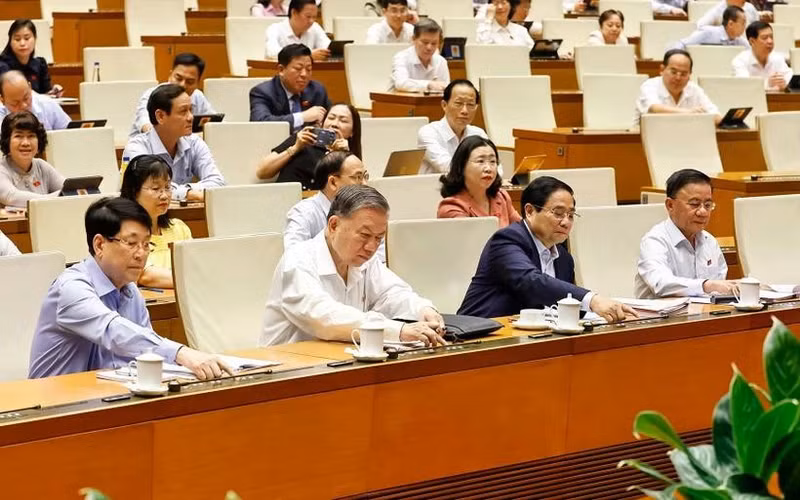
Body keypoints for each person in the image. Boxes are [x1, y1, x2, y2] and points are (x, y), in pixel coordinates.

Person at [28, 197, 233, 379]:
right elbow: (113, 331)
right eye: (132, 243)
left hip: (109, 399)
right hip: (54, 410)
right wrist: (182, 353)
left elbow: (144, 352)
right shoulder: (71, 288)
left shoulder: (130, 291)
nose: (141, 254)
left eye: (146, 244)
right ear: (99, 245)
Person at [261, 184, 446, 346]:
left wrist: (423, 310)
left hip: (339, 364)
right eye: (364, 235)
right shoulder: (298, 259)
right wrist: (398, 331)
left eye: (379, 238)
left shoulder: (364, 260)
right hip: (287, 372)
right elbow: (325, 319)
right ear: (334, 225)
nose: (372, 247)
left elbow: (393, 294)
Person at [458, 176, 636, 322]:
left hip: (528, 341)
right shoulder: (507, 240)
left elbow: (562, 304)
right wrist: (592, 300)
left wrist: (610, 313)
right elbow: (530, 281)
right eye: (558, 213)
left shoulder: (564, 259)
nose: (566, 222)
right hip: (479, 338)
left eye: (571, 215)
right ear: (529, 211)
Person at [635, 169, 736, 299]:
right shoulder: (655, 241)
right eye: (694, 204)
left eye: (708, 205)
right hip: (663, 317)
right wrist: (706, 286)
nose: (703, 212)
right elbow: (661, 283)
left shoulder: (709, 241)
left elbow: (718, 287)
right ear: (670, 205)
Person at [122, 84, 225, 202]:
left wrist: (186, 191)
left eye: (191, 110)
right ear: (160, 116)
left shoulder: (194, 142)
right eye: (183, 111)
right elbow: (148, 189)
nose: (191, 117)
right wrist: (190, 194)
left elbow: (218, 182)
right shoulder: (137, 148)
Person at [120, 154, 192, 289]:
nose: (164, 195)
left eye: (167, 187)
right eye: (155, 189)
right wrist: (196, 280)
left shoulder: (180, 228)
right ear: (134, 191)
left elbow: (196, 267)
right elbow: (146, 276)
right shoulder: (125, 233)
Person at [256, 103, 361, 189]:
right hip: (285, 199)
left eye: (343, 120)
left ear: (353, 131)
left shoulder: (350, 158)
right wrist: (295, 148)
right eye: (331, 118)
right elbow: (262, 172)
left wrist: (342, 156)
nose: (334, 124)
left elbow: (353, 193)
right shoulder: (303, 138)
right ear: (322, 123)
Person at [284, 151, 369, 248]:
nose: (365, 184)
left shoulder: (367, 212)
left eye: (365, 176)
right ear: (333, 182)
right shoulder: (303, 213)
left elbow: (379, 257)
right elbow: (293, 255)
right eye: (358, 177)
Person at [438, 136, 521, 227]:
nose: (488, 169)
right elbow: (471, 239)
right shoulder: (452, 207)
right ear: (462, 166)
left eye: (493, 161)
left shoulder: (501, 197)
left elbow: (522, 231)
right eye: (480, 161)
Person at [129, 53, 216, 138]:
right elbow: (145, 124)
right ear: (170, 75)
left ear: (198, 83)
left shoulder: (198, 96)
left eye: (190, 82)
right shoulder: (152, 94)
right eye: (178, 78)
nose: (182, 85)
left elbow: (215, 123)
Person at [249, 44, 331, 131]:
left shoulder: (317, 90)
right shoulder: (263, 92)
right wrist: (302, 117)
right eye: (298, 68)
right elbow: (259, 122)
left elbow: (331, 114)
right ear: (281, 70)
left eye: (308, 69)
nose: (304, 74)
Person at [634, 49, 722, 128]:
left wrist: (728, 120)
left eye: (683, 74)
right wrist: (689, 113)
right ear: (662, 70)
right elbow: (654, 108)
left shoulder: (694, 89)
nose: (678, 78)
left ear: (690, 75)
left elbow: (714, 114)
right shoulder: (650, 85)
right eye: (673, 72)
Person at [417, 79, 489, 174]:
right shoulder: (428, 132)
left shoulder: (479, 134)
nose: (465, 111)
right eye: (458, 103)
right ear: (444, 105)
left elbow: (496, 167)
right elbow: (448, 167)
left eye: (470, 104)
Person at [0, 111, 63, 207]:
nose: (26, 143)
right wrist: (56, 197)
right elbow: (11, 197)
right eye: (18, 136)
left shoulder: (42, 166)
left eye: (31, 136)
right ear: (7, 141)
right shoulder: (2, 169)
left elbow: (68, 190)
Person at [0, 19, 60, 96]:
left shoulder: (39, 64)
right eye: (17, 39)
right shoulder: (3, 66)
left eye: (27, 38)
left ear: (35, 39)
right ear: (10, 42)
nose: (22, 43)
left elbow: (46, 92)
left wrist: (54, 91)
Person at [390, 19, 450, 92]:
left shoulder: (441, 61)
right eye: (425, 42)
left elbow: (446, 89)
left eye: (434, 43)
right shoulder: (401, 57)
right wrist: (429, 85)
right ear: (413, 39)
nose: (429, 47)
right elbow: (401, 83)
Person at [732, 21, 792, 91]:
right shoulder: (740, 61)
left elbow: (791, 80)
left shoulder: (777, 58)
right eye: (764, 38)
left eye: (771, 37)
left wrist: (785, 85)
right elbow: (745, 87)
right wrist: (768, 83)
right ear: (752, 41)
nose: (770, 41)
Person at [0, 70, 70, 130]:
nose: (24, 105)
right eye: (15, 103)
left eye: (26, 98)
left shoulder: (48, 104)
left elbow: (68, 131)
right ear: (2, 100)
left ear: (30, 87)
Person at [265, 0, 331, 61]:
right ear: (294, 13)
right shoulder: (275, 29)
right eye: (308, 16)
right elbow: (271, 52)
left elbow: (327, 47)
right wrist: (307, 55)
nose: (311, 21)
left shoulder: (315, 27)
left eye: (314, 17)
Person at [670, 6, 747, 50]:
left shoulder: (741, 42)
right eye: (743, 23)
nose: (745, 27)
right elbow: (681, 43)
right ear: (730, 24)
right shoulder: (708, 33)